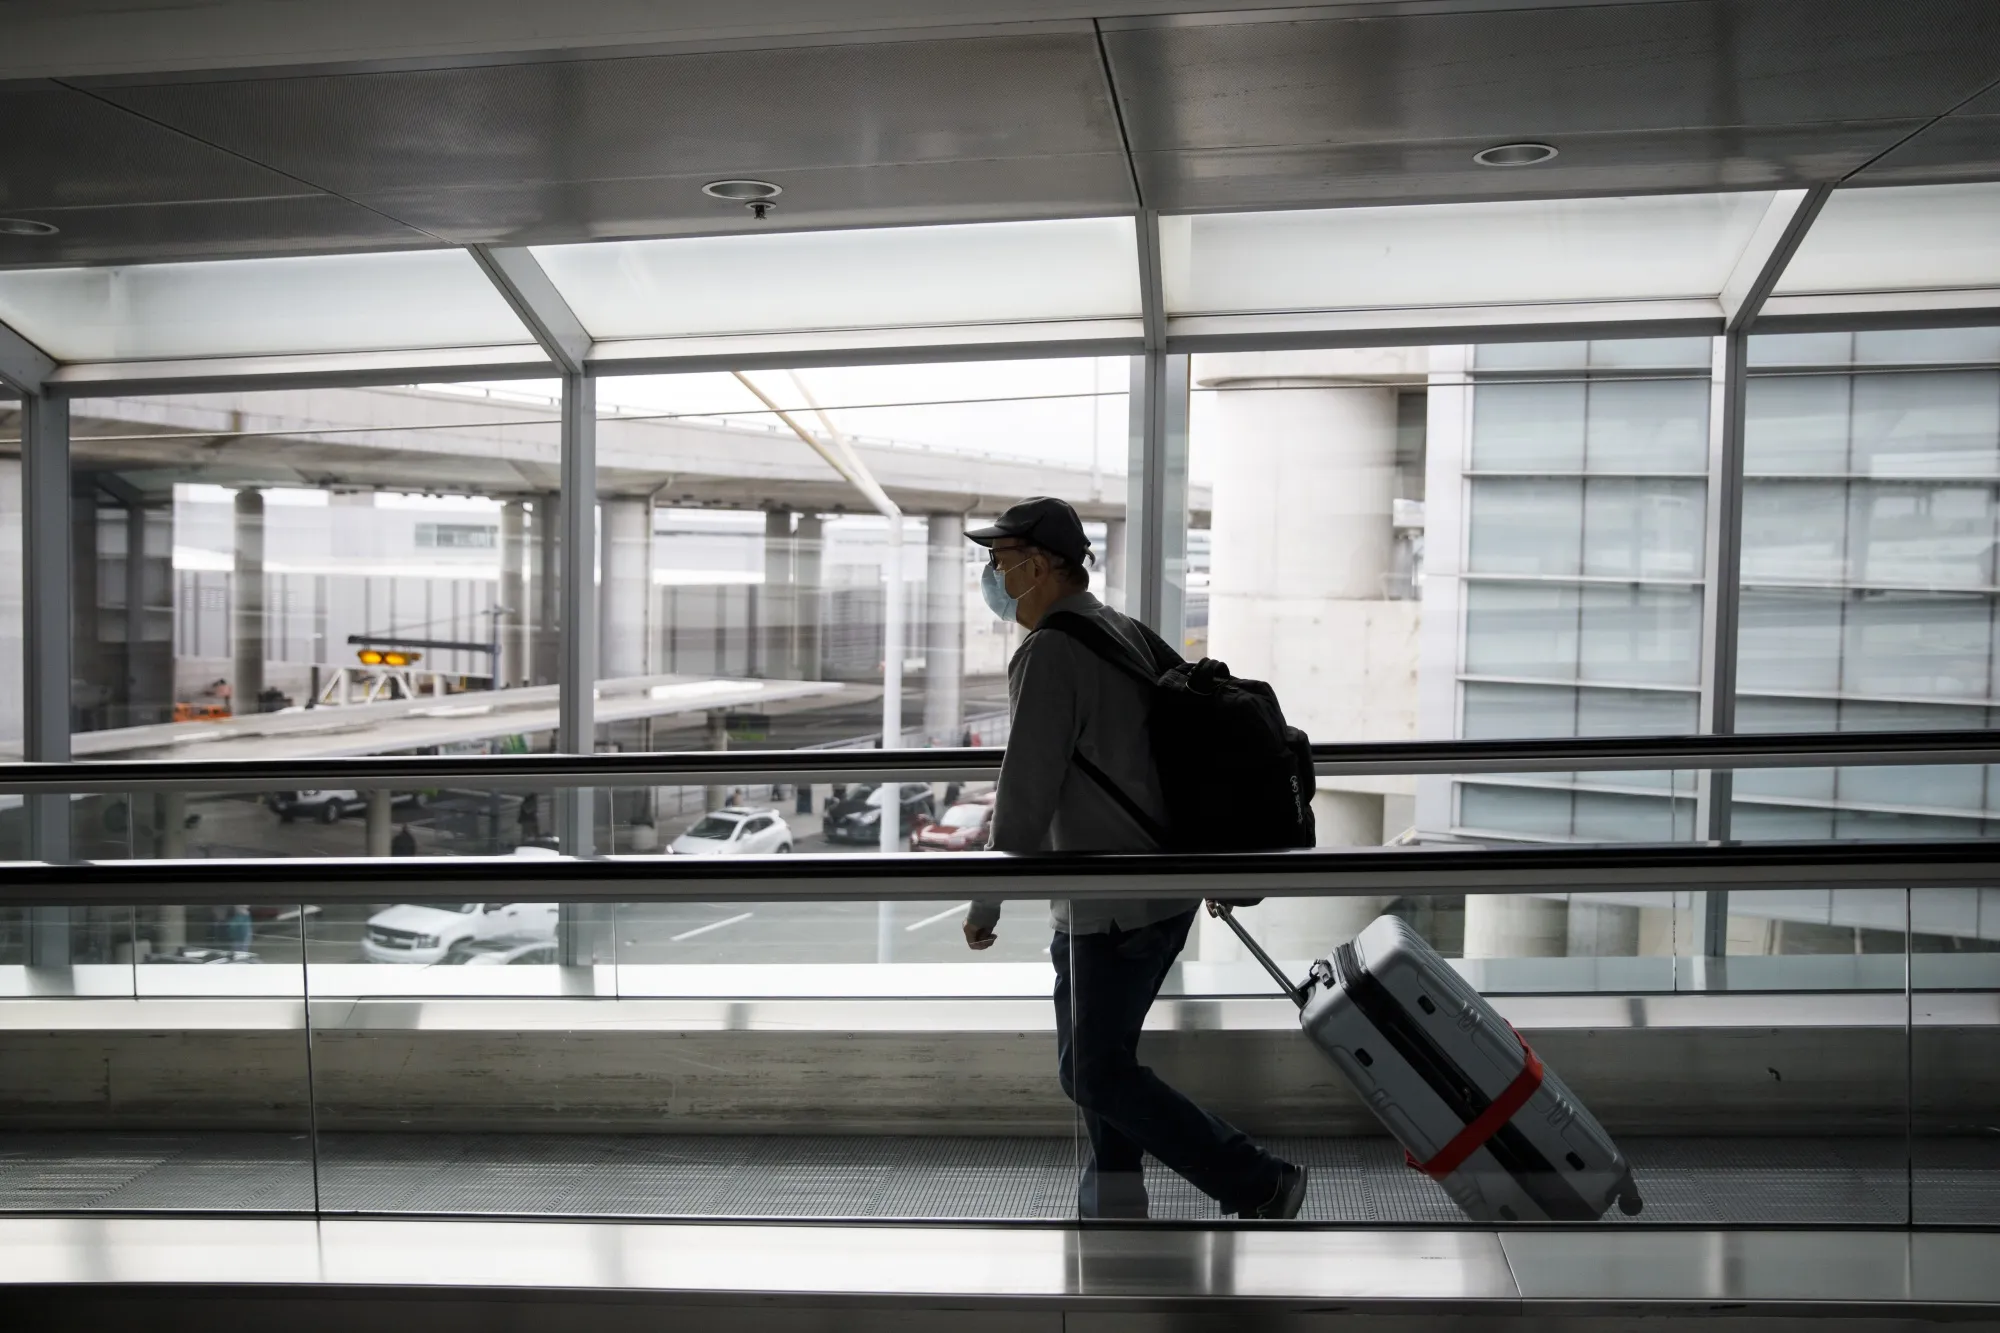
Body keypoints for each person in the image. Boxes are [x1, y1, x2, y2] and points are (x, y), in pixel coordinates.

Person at [961, 496, 1306, 1221]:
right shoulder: (1117, 627)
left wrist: (984, 898)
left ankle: (1257, 1179)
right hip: (1160, 891)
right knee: (1106, 1063)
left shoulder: (1052, 648)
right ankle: (1114, 1199)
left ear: (1039, 564)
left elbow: (1024, 790)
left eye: (999, 558)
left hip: (1108, 907)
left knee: (1090, 1071)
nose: (991, 573)